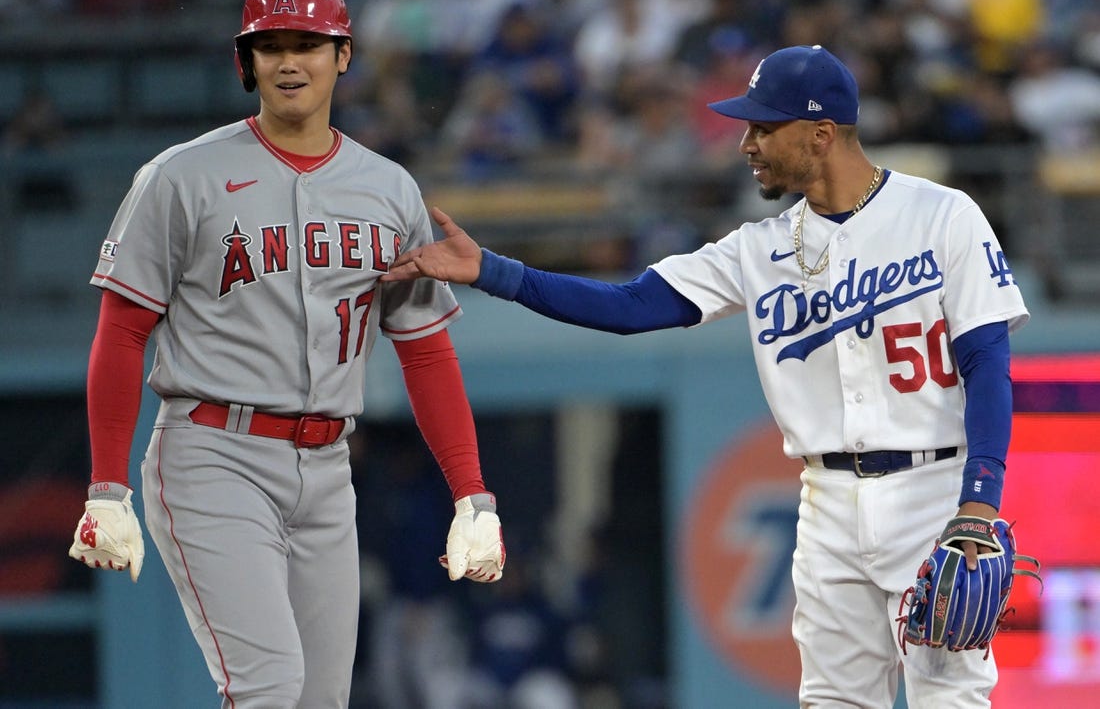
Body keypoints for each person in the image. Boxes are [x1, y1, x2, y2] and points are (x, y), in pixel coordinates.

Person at [382, 44, 1029, 708]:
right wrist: (495, 270)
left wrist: (979, 499)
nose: (745, 143)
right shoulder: (759, 248)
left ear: (821, 133)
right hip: (826, 502)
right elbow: (630, 306)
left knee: (949, 699)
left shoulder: (942, 215)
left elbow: (988, 364)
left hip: (932, 491)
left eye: (763, 127)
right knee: (834, 700)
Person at [67, 0, 506, 709]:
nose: (289, 61)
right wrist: (107, 486)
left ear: (343, 56)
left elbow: (425, 348)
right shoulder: (181, 177)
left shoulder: (389, 187)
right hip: (214, 452)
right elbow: (122, 330)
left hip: (328, 464)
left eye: (308, 43)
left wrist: (473, 494)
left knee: (319, 701)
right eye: (270, 46)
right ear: (247, 62)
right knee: (269, 687)